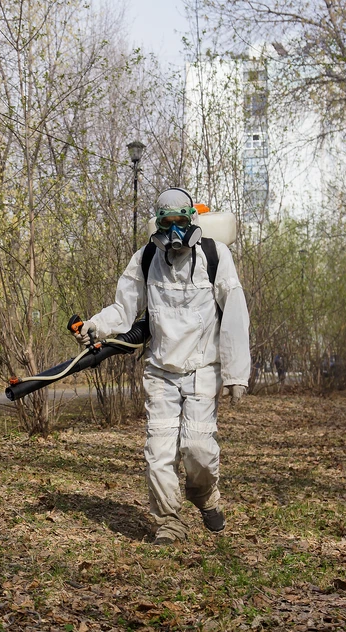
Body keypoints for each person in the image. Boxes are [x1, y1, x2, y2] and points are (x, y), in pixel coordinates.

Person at [74, 188, 250, 544]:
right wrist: (96, 325)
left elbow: (234, 315)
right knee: (159, 454)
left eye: (180, 222)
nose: (174, 231)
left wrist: (236, 374)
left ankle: (204, 495)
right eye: (167, 223)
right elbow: (123, 309)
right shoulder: (146, 257)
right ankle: (169, 522)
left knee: (198, 450)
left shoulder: (216, 256)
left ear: (192, 221)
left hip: (203, 369)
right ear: (158, 223)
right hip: (161, 372)